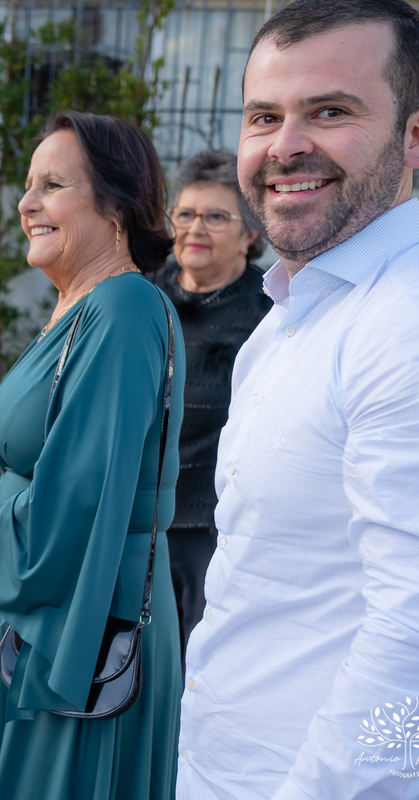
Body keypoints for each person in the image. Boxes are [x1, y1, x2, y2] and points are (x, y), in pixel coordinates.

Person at [177, 1, 419, 799]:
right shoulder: (289, 319)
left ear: (418, 134)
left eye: (330, 111)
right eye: (265, 115)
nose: (286, 145)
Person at [0, 111, 185, 800]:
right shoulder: (81, 308)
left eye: (52, 184)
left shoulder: (124, 309)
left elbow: (85, 491)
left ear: (116, 205)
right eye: (28, 185)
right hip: (59, 607)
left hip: (90, 615)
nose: (26, 204)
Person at [147, 149, 271, 663]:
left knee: (196, 674)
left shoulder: (270, 315)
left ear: (249, 235)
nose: (196, 228)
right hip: (139, 524)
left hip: (215, 534)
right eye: (186, 214)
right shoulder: (142, 302)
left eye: (217, 216)